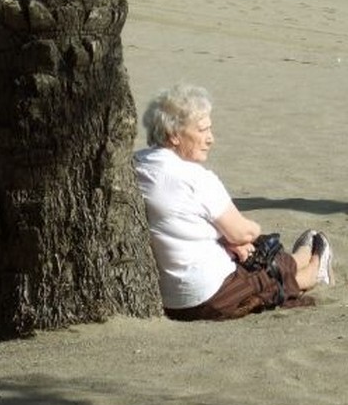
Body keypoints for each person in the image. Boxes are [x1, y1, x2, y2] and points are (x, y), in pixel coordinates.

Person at [133, 84, 333, 321]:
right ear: (174, 135)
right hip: (210, 294)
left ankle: (300, 258)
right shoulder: (195, 178)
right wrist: (241, 237)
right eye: (202, 130)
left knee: (243, 250)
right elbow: (242, 232)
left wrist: (228, 241)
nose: (211, 139)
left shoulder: (137, 164)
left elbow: (179, 221)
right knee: (261, 254)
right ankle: (312, 268)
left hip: (167, 298)